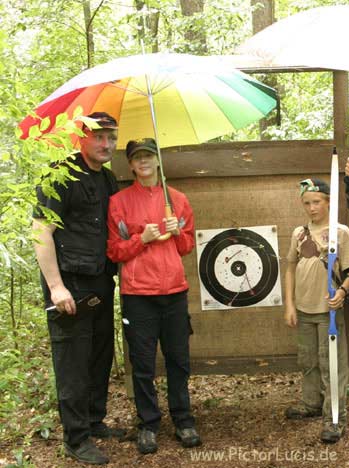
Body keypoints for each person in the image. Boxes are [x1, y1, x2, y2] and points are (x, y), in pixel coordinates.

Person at [33, 112, 123, 465]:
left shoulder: (107, 179)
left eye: (111, 138)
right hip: (69, 284)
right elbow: (41, 232)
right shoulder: (60, 175)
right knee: (72, 360)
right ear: (80, 137)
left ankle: (93, 420)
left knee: (100, 354)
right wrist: (56, 287)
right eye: (99, 137)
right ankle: (76, 437)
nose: (106, 144)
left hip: (101, 280)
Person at [106, 138, 201, 454]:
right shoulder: (119, 202)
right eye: (137, 158)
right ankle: (148, 425)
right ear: (131, 165)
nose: (144, 162)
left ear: (158, 161)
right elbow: (114, 250)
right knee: (143, 364)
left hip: (174, 291)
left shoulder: (178, 199)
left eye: (149, 156)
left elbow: (186, 246)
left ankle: (183, 420)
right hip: (138, 294)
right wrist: (141, 239)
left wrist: (177, 232)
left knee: (179, 360)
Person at [284, 178, 349, 443]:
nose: (311, 207)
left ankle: (334, 416)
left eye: (316, 201)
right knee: (308, 360)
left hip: (329, 310)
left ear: (328, 201)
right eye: (307, 203)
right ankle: (311, 402)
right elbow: (291, 269)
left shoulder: (340, 233)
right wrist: (290, 305)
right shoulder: (299, 233)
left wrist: (341, 293)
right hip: (304, 308)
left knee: (332, 364)